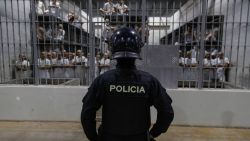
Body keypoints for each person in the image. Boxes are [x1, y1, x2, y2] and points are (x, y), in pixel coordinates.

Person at [81, 27, 174, 141]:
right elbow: (167, 112)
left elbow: (87, 114)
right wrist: (153, 133)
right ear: (138, 49)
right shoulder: (149, 81)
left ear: (113, 49)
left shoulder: (102, 81)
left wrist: (94, 138)